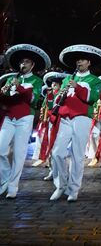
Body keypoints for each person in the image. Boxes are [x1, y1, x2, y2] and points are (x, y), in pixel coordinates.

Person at [46, 45, 101, 202]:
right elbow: (58, 99)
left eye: (82, 60)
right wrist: (61, 95)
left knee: (77, 155)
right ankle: (60, 185)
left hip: (82, 118)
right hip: (65, 118)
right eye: (77, 60)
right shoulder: (67, 78)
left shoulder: (95, 80)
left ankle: (73, 190)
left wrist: (77, 87)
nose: (79, 62)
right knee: (57, 152)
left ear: (88, 63)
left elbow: (92, 98)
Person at [0, 44, 49, 198]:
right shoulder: (11, 79)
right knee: (0, 149)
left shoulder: (36, 80)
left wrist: (19, 87)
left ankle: (13, 187)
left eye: (27, 62)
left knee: (19, 153)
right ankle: (5, 180)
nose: (23, 64)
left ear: (32, 65)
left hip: (25, 118)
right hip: (9, 116)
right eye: (22, 62)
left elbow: (33, 99)